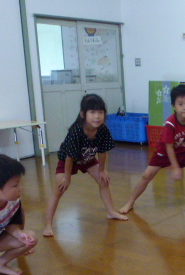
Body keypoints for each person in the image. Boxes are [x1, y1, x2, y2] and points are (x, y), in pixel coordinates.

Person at [118, 84, 185, 214]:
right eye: (180, 104)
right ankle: (130, 203)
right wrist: (175, 167)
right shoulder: (170, 124)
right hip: (165, 153)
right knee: (147, 175)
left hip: (184, 150)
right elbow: (168, 147)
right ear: (174, 106)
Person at [43, 94, 127, 237]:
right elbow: (70, 157)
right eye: (92, 112)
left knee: (104, 181)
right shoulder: (76, 131)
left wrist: (102, 170)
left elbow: (102, 151)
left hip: (87, 158)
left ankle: (111, 211)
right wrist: (67, 178)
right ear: (83, 114)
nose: (97, 116)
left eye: (100, 112)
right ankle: (48, 224)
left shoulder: (102, 130)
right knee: (59, 189)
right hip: (68, 161)